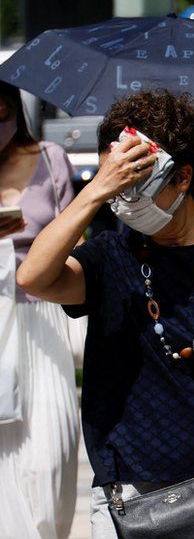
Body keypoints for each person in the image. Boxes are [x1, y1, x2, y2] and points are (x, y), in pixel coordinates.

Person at [16, 90, 194, 538]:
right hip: (124, 497)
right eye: (117, 183)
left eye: (137, 181)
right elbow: (33, 278)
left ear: (183, 176)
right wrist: (93, 191)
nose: (126, 199)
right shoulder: (107, 257)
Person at [0, 82, 79, 538]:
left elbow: (76, 233)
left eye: (3, 111)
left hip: (44, 316)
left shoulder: (50, 158)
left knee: (52, 455)